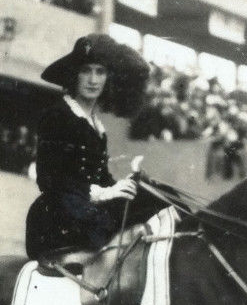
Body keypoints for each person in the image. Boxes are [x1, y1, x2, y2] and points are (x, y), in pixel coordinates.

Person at [23, 33, 155, 265]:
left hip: (87, 210)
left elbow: (99, 176)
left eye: (100, 72)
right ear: (74, 74)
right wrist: (104, 194)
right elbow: (49, 180)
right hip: (59, 217)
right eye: (86, 70)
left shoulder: (96, 125)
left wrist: (125, 185)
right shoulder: (57, 116)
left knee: (147, 204)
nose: (93, 79)